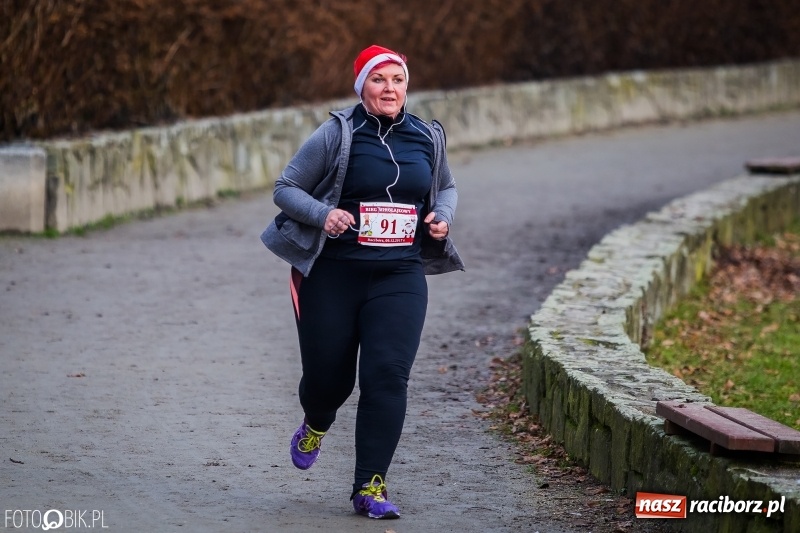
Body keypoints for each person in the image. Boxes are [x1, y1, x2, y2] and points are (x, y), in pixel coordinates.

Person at [260, 44, 464, 519]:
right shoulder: (338, 133)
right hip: (332, 275)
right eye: (379, 80)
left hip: (400, 273)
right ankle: (316, 420)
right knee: (329, 382)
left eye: (397, 79)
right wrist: (324, 214)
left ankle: (369, 487)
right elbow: (285, 189)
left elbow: (447, 186)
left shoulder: (427, 136)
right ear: (362, 86)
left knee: (387, 377)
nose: (389, 88)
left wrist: (442, 217)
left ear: (407, 86)